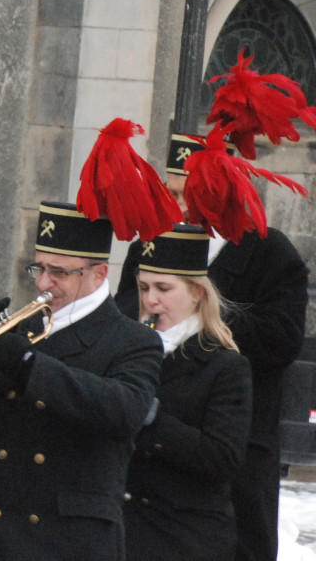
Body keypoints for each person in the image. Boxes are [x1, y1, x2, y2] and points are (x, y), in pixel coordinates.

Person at [0, 201, 163, 561]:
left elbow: (123, 410)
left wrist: (26, 364)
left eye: (59, 272)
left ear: (99, 274)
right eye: (39, 268)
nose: (42, 283)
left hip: (71, 541)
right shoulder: (25, 330)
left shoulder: (132, 340)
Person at [115, 133, 308, 561]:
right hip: (150, 456)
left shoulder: (268, 250)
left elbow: (282, 339)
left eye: (186, 192)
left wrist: (199, 308)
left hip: (236, 446)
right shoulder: (148, 245)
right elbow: (125, 316)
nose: (174, 203)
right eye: (168, 190)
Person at [123, 224, 253, 561]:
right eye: (144, 287)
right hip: (125, 531)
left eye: (164, 289)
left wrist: (154, 421)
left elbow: (222, 458)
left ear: (197, 292)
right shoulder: (128, 350)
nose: (151, 300)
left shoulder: (225, 366)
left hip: (186, 539)